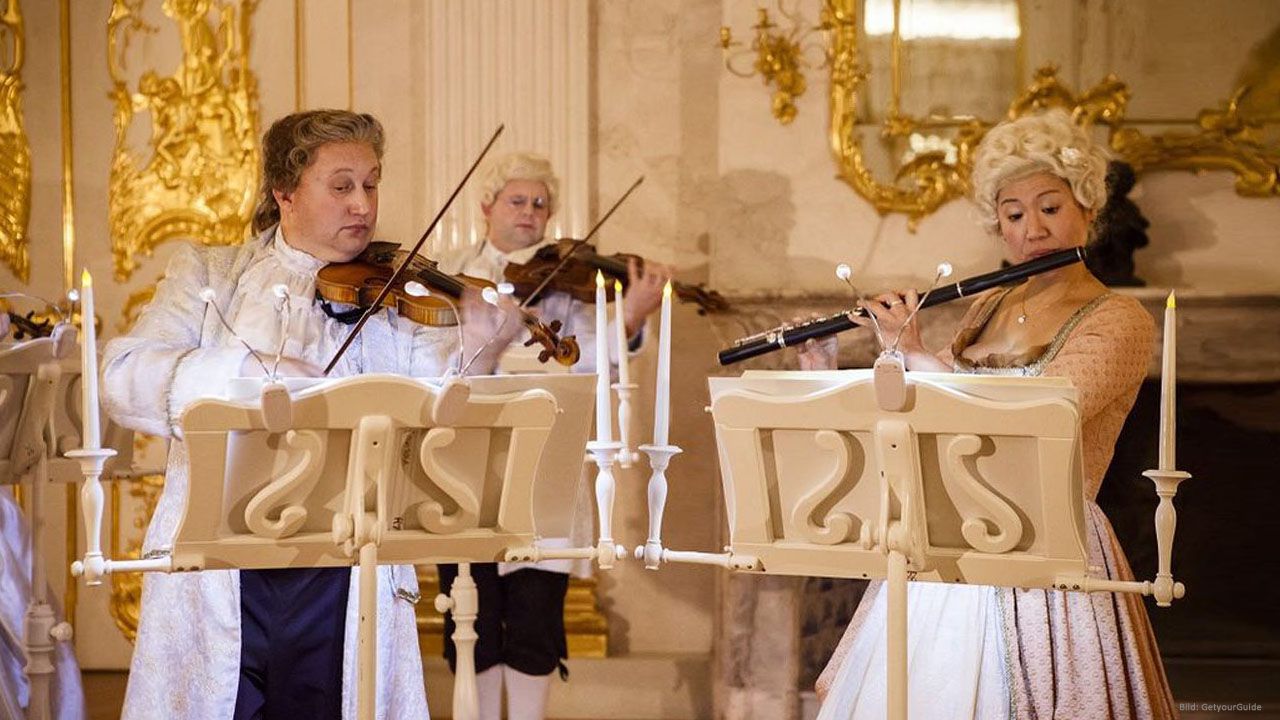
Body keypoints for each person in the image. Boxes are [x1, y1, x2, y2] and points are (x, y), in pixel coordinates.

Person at [102, 109, 520, 720]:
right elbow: (123, 374)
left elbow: (437, 418)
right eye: (342, 185)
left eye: (371, 184)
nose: (363, 205)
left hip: (346, 568)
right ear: (285, 193)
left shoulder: (398, 296)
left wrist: (481, 346)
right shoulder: (211, 272)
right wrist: (251, 375)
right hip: (225, 568)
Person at [807, 109, 1178, 719]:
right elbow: (929, 415)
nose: (1033, 228)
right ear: (999, 227)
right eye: (1013, 214)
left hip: (1049, 543)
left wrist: (920, 352)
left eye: (1050, 207)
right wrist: (851, 359)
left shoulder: (1119, 320)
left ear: (1087, 208)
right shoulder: (986, 310)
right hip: (952, 533)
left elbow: (1037, 415)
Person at [433, 152, 670, 720]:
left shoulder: (571, 287)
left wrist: (630, 319)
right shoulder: (451, 275)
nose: (530, 213)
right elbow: (435, 369)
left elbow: (588, 364)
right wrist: (487, 340)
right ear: (487, 205)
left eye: (541, 204)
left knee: (536, 612)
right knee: (474, 613)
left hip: (549, 464)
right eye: (517, 200)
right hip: (468, 464)